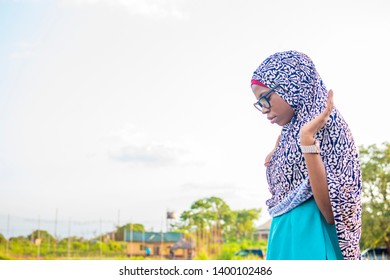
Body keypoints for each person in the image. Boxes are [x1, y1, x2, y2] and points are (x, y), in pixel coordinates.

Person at [250, 50, 362, 260]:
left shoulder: (328, 127)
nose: (264, 109)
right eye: (259, 103)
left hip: (312, 240)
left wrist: (308, 141)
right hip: (283, 240)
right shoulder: (288, 134)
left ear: (293, 86)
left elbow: (331, 212)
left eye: (266, 98)